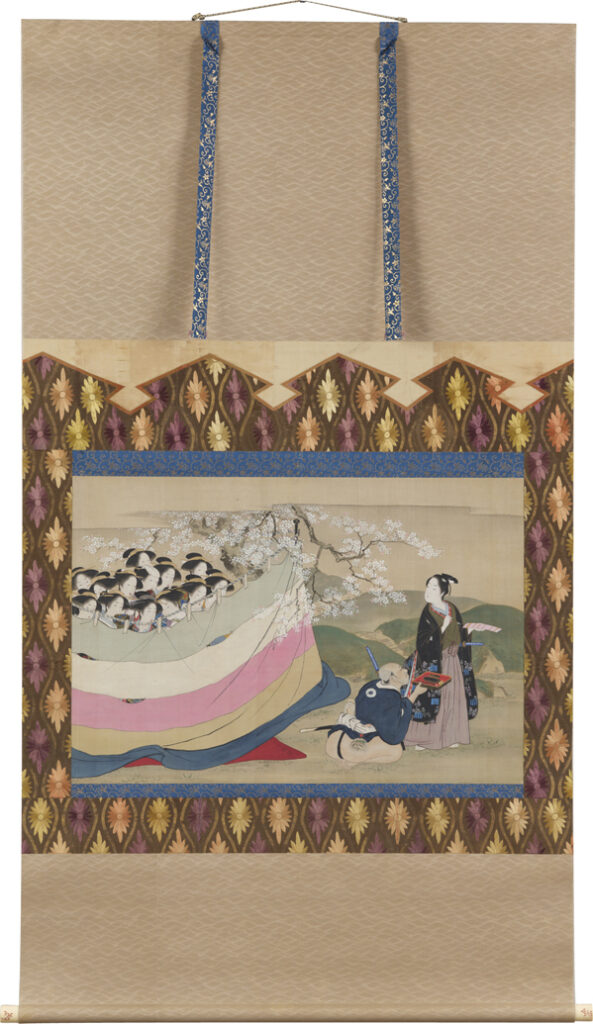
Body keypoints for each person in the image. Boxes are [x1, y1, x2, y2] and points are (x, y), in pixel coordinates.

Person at [404, 573, 479, 751]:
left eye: (433, 587)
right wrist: (442, 628)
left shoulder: (452, 608)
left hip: (453, 662)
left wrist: (465, 636)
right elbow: (422, 640)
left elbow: (459, 633)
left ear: (443, 591)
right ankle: (425, 739)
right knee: (432, 698)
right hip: (434, 662)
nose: (428, 591)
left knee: (453, 697)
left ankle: (451, 736)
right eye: (428, 586)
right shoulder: (428, 612)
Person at [323, 663, 427, 765]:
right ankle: (353, 761)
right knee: (396, 751)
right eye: (400, 669)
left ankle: (353, 758)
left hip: (333, 743)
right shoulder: (391, 697)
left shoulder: (372, 685)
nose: (405, 670)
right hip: (349, 748)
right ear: (392, 678)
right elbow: (393, 736)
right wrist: (416, 693)